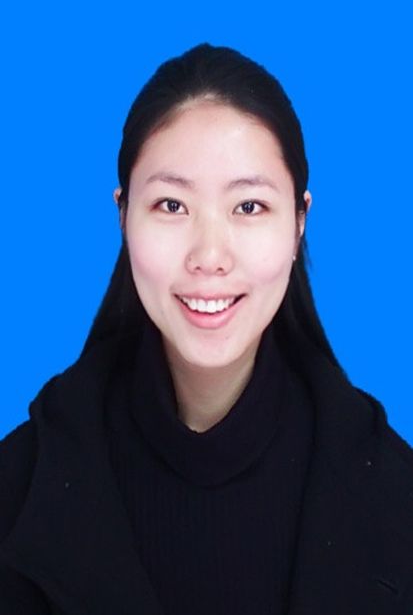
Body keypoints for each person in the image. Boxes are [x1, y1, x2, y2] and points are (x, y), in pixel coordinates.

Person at [0, 43, 412, 615]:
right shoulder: (19, 488)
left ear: (299, 222)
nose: (209, 256)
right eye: (172, 205)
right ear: (122, 215)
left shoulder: (394, 495)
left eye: (249, 207)